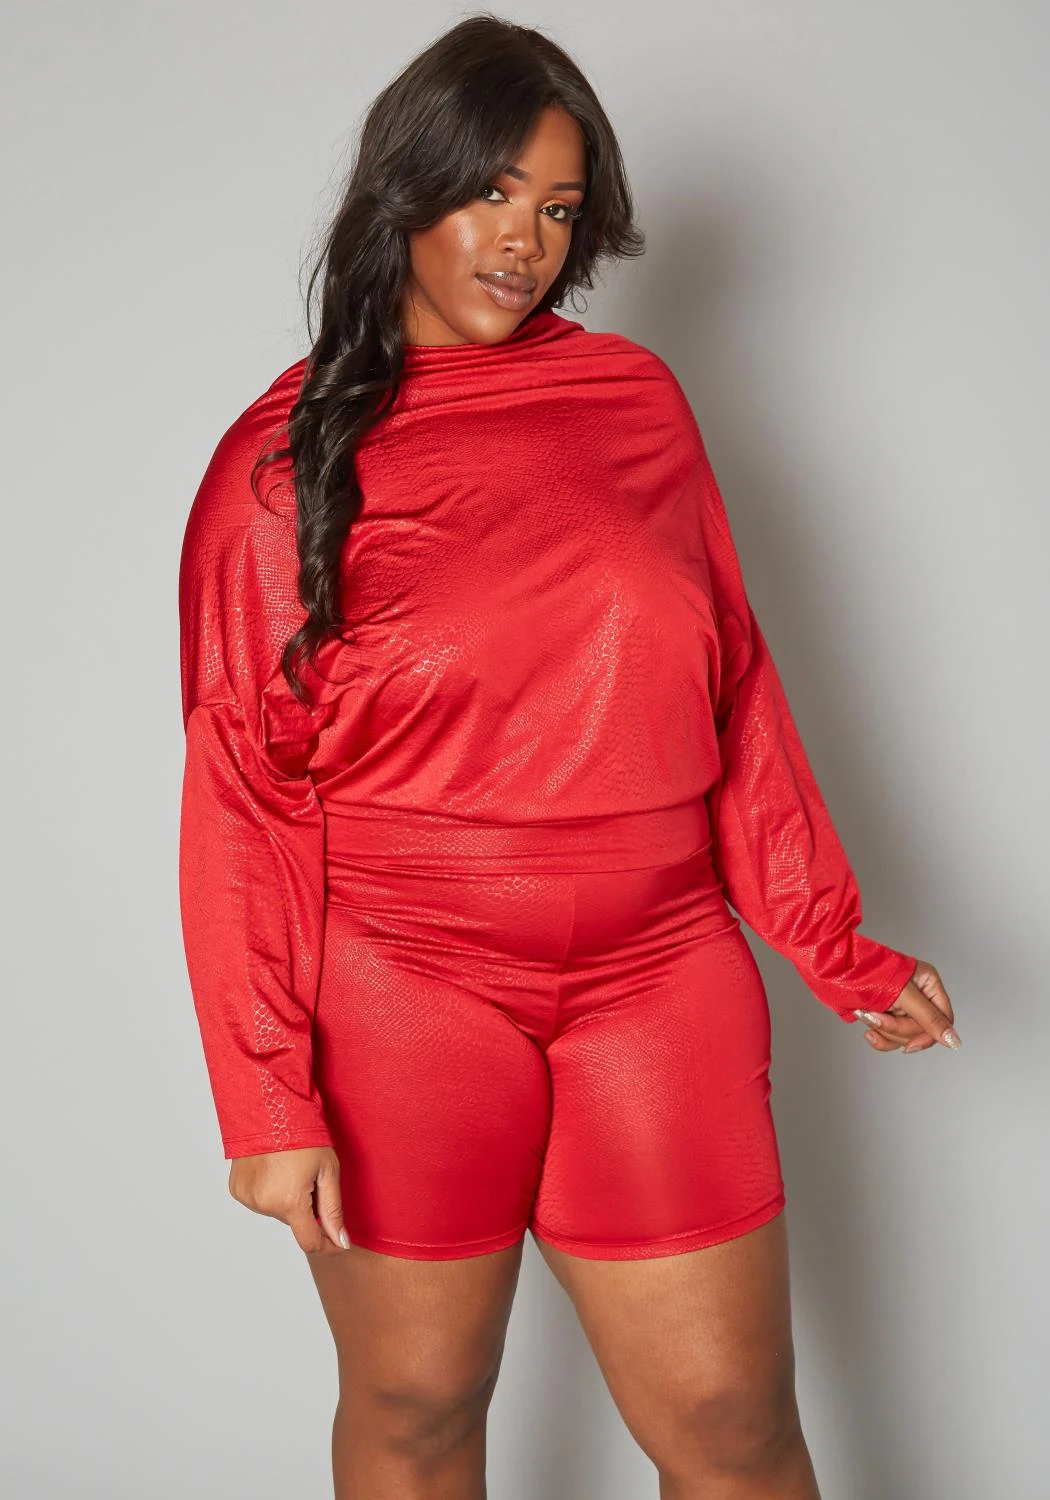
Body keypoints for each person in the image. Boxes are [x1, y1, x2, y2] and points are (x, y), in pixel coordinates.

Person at [176, 14, 959, 1499]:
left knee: (731, 1421)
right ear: (407, 190)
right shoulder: (281, 463)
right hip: (402, 980)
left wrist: (830, 940)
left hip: (656, 964)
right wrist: (267, 1098)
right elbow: (241, 793)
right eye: (491, 193)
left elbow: (732, 682)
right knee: (417, 1404)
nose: (523, 242)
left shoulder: (632, 401)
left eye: (556, 207)